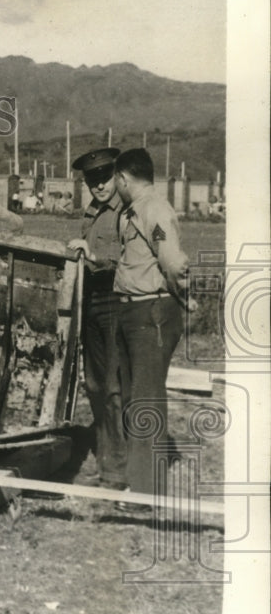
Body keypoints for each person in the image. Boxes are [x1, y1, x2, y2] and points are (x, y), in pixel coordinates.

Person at [112, 147, 195, 503]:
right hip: (137, 311)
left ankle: (145, 491)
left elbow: (174, 263)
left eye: (116, 180)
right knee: (138, 394)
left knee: (145, 397)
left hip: (152, 313)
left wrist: (182, 293)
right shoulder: (136, 209)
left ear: (123, 179)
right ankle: (142, 478)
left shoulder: (153, 209)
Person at [67, 147, 126, 490]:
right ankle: (106, 458)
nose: (99, 185)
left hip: (115, 301)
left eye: (104, 177)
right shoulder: (92, 211)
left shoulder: (125, 212)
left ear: (116, 176)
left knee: (114, 388)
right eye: (92, 179)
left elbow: (127, 260)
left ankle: (117, 470)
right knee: (94, 384)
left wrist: (92, 255)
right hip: (91, 301)